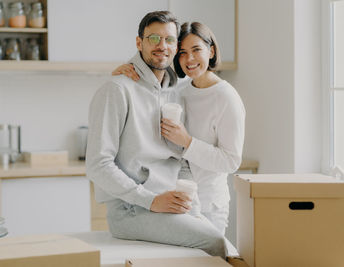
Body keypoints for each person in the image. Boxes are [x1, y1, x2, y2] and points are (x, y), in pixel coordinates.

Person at [86, 11, 226, 258]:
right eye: (154, 39)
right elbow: (97, 165)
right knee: (214, 242)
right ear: (139, 43)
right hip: (132, 211)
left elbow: (179, 159)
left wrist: (190, 206)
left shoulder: (172, 92)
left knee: (217, 239)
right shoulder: (117, 90)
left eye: (170, 40)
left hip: (169, 205)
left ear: (175, 48)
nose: (162, 46)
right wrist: (150, 201)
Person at [112, 22, 246, 235]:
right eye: (182, 53)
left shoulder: (226, 97)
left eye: (196, 50)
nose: (189, 59)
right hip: (175, 201)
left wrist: (188, 142)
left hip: (209, 203)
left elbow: (231, 161)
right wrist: (122, 73)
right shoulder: (179, 91)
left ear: (211, 51)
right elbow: (148, 86)